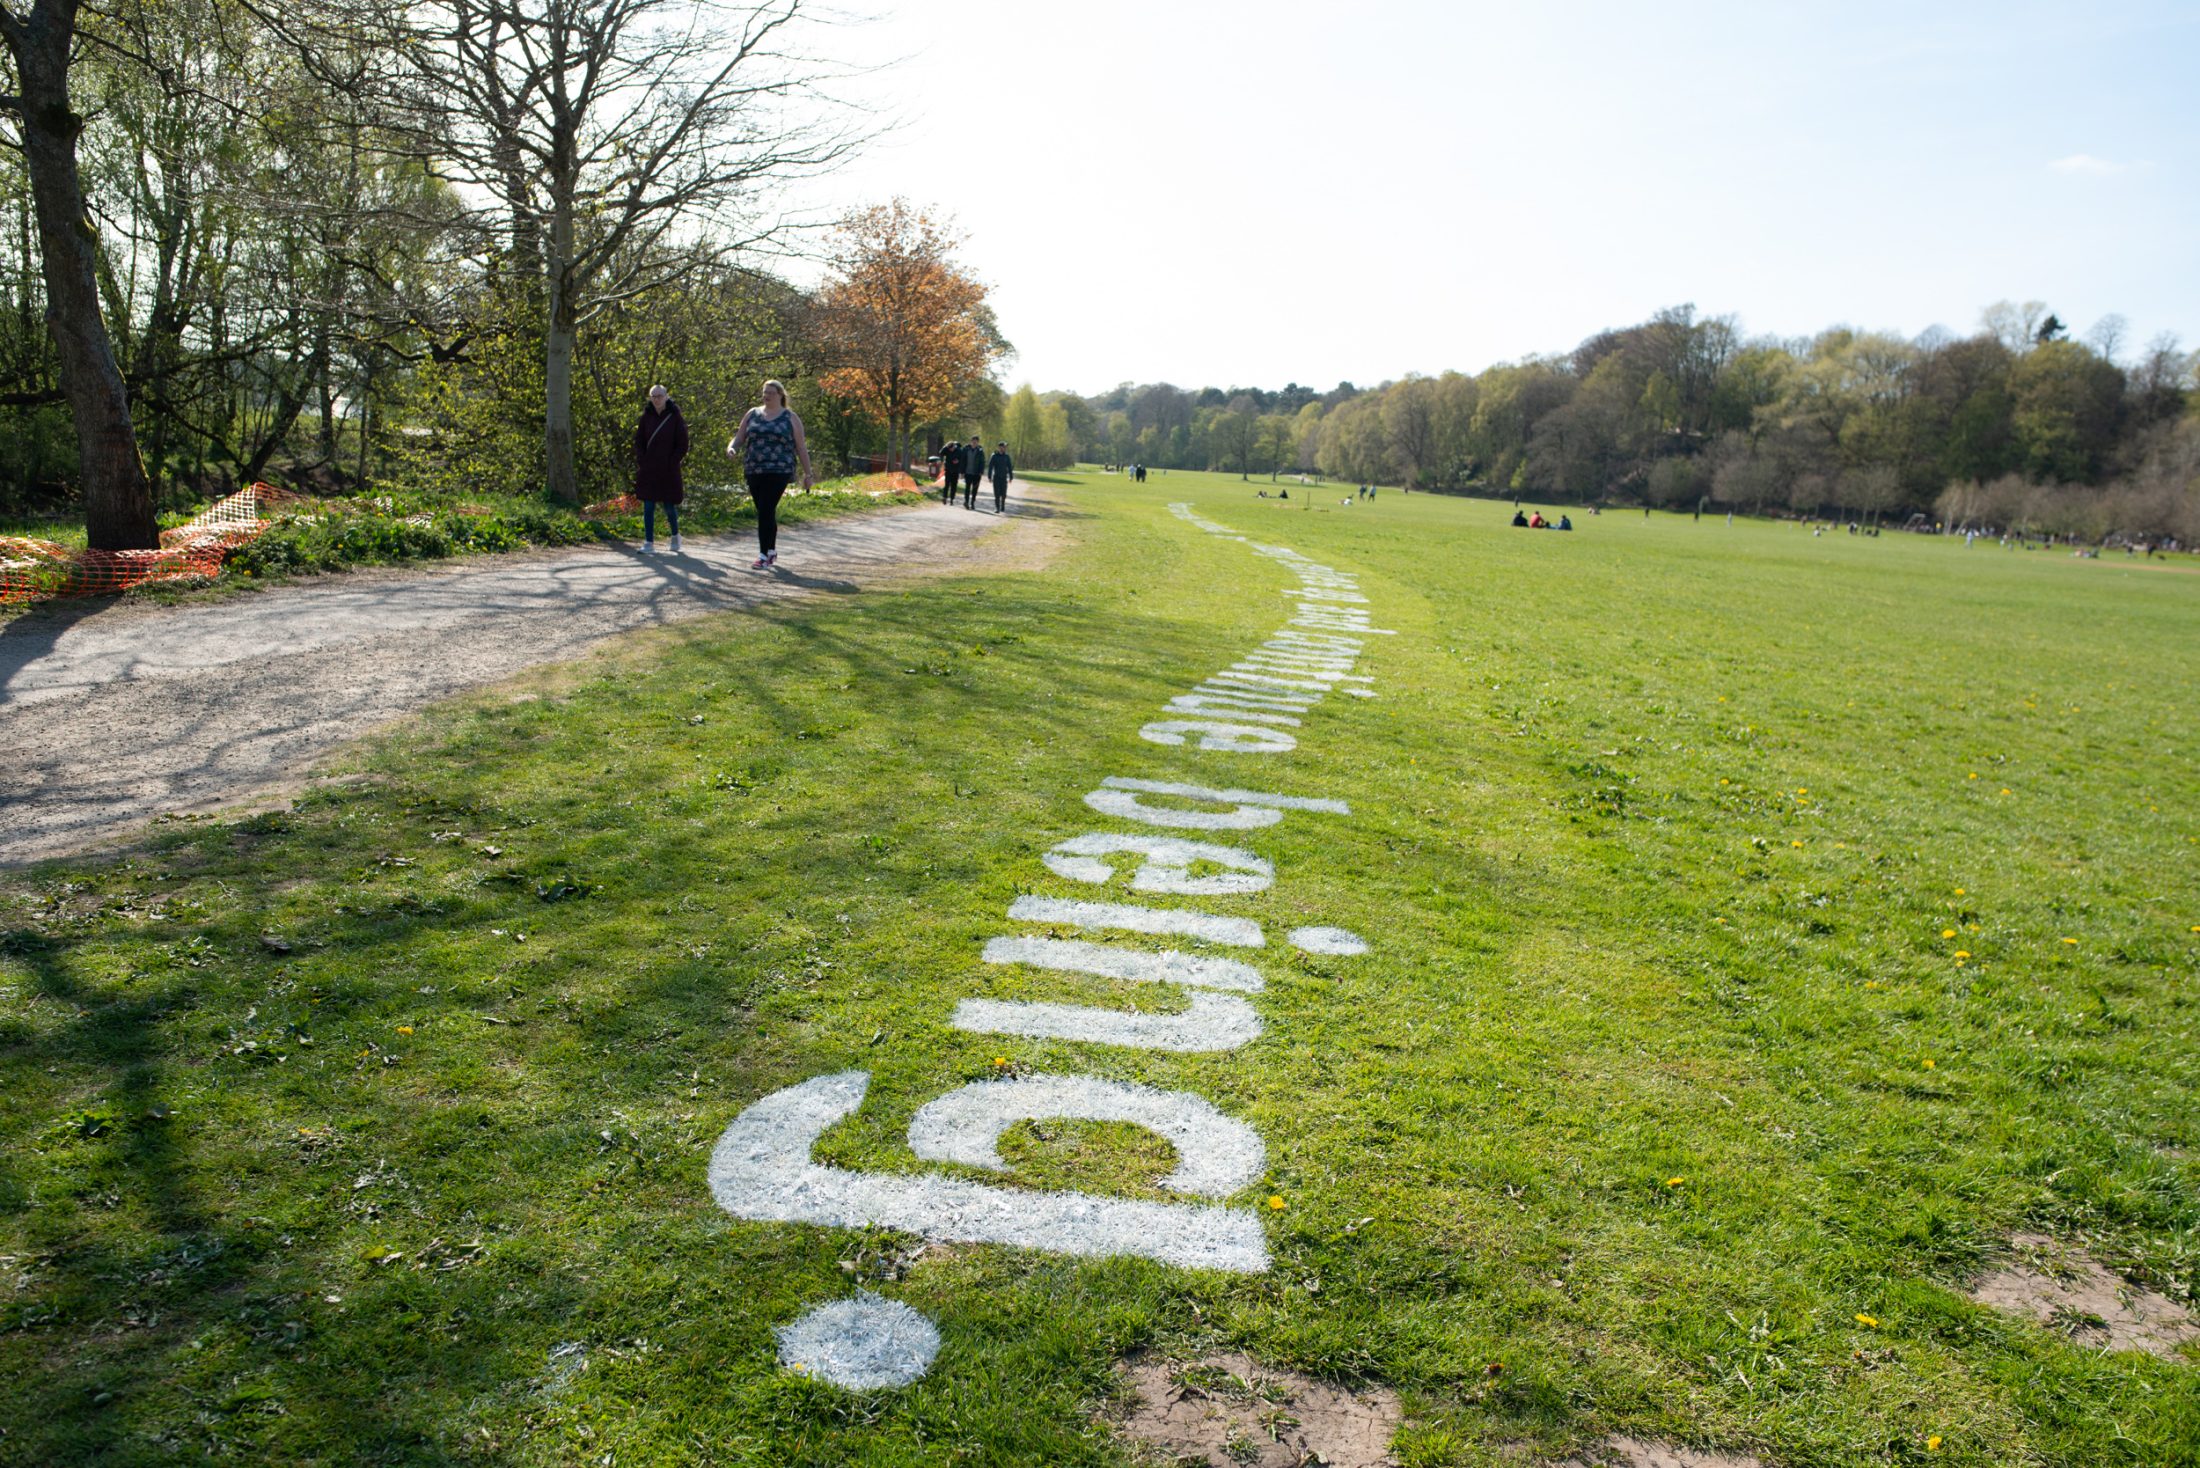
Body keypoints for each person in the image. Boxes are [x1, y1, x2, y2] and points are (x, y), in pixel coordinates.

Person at [727, 378, 812, 570]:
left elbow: (801, 447)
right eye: (764, 392)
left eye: (771, 393)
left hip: (779, 470)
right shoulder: (752, 414)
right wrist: (732, 448)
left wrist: (808, 474)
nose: (766, 396)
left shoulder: (790, 417)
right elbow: (740, 437)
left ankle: (763, 555)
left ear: (780, 395)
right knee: (765, 511)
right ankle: (771, 550)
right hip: (754, 468)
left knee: (765, 509)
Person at [634, 384, 689, 554]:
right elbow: (639, 441)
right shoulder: (646, 417)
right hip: (649, 469)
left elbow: (683, 443)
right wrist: (642, 460)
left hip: (668, 470)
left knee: (668, 507)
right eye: (653, 396)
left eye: (659, 395)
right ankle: (649, 542)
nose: (656, 399)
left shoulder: (675, 417)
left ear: (666, 396)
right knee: (648, 506)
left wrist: (672, 462)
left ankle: (675, 535)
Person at [988, 441, 1013, 512]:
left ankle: (1003, 506)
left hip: (1004, 477)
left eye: (1005, 447)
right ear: (999, 447)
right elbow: (990, 467)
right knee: (997, 493)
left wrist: (1011, 477)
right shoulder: (994, 456)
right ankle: (997, 508)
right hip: (996, 477)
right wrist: (989, 477)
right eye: (1003, 447)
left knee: (1003, 494)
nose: (1005, 448)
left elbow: (1010, 467)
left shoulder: (1007, 457)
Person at [962, 437, 985, 509]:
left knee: (975, 489)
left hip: (976, 473)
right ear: (971, 441)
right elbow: (962, 461)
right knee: (967, 488)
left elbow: (982, 462)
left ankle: (972, 502)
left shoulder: (980, 451)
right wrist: (962, 472)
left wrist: (981, 471)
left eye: (976, 441)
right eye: (973, 441)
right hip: (967, 472)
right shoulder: (966, 450)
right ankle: (966, 501)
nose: (974, 442)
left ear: (978, 442)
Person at [941, 439, 962, 506]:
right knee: (946, 484)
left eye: (951, 449)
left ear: (954, 446)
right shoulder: (947, 449)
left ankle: (952, 499)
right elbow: (941, 453)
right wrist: (945, 447)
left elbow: (963, 459)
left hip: (956, 470)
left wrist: (958, 461)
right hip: (948, 469)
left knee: (954, 485)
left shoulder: (959, 450)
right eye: (949, 449)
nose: (950, 450)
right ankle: (944, 497)